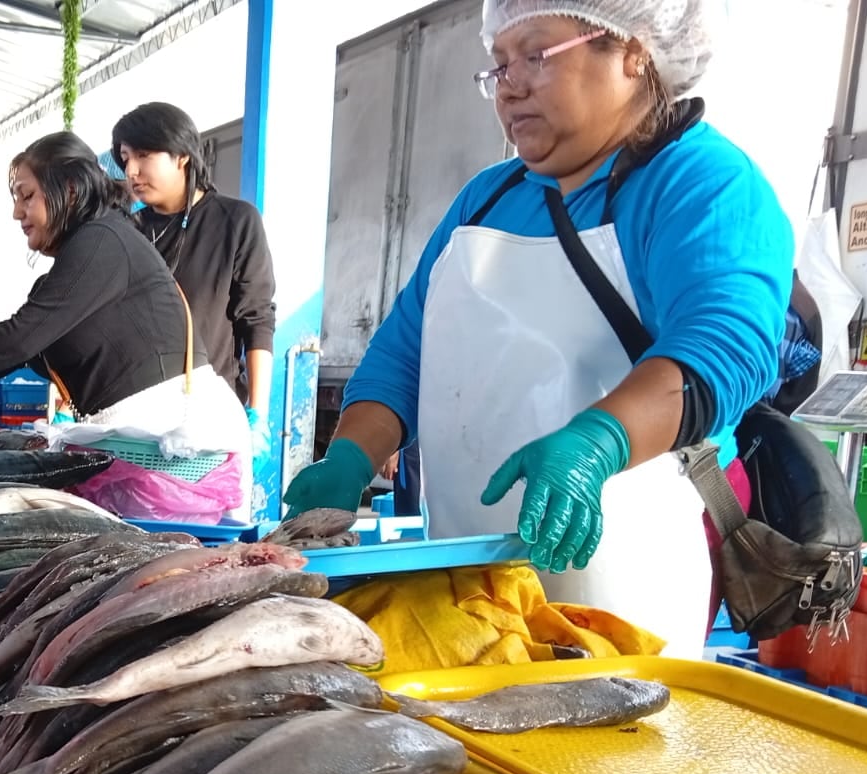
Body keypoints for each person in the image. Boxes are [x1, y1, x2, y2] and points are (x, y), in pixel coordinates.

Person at [283, 0, 793, 657]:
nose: (510, 85)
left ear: (634, 50)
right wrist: (349, 457)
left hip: (627, 566)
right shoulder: (489, 198)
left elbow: (729, 342)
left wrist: (599, 441)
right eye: (498, 66)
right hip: (467, 565)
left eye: (535, 56)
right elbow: (404, 352)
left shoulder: (698, 180)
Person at [0, 132, 249, 478]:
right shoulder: (84, 256)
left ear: (71, 190)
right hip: (146, 438)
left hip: (177, 443)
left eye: (27, 196)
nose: (16, 213)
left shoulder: (102, 241)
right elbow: (19, 349)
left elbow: (19, 339)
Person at [112, 102, 277, 421]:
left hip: (209, 417)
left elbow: (257, 319)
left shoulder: (236, 222)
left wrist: (257, 415)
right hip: (137, 417)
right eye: (125, 159)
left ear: (182, 154)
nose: (132, 171)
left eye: (143, 155)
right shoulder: (126, 231)